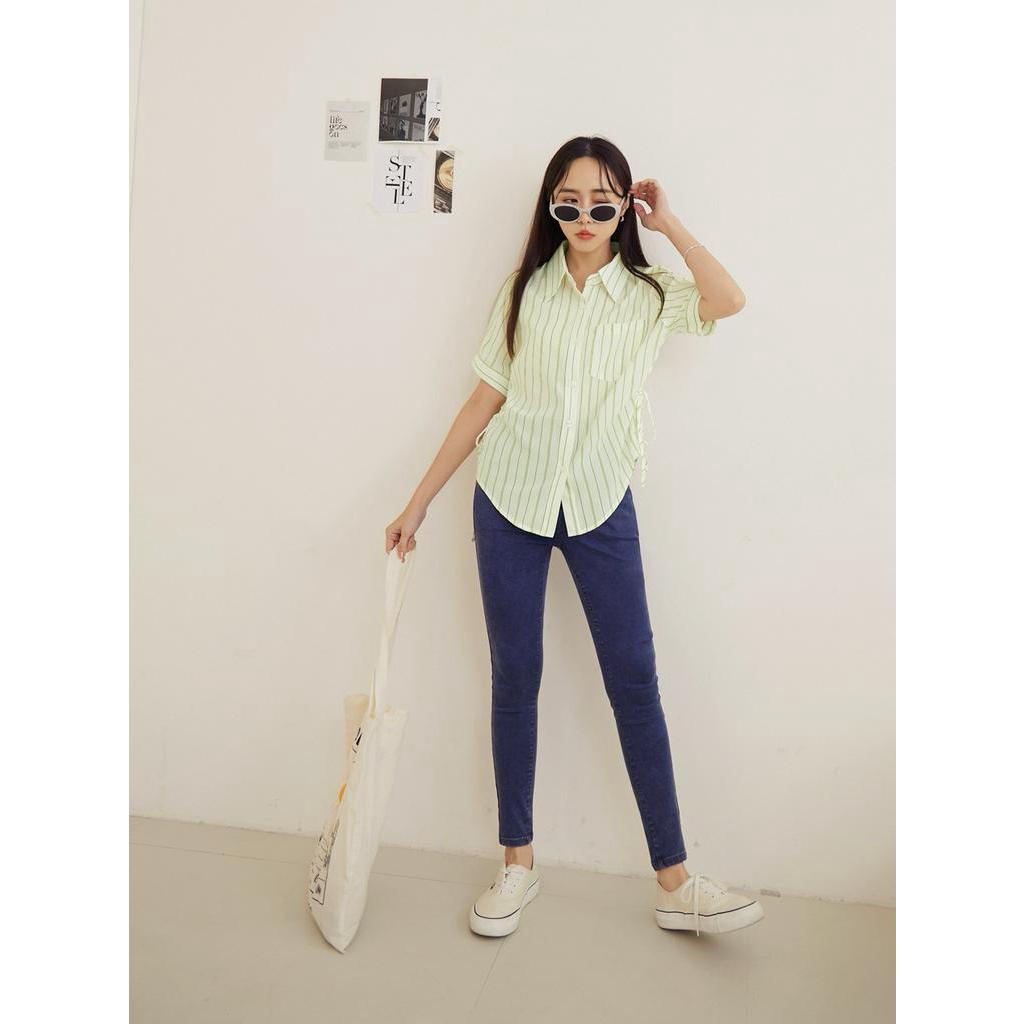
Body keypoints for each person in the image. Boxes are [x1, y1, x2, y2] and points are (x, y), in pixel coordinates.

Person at [385, 136, 764, 938]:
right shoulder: (525, 290)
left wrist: (670, 225)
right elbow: (483, 400)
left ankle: (675, 880)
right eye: (568, 201)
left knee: (635, 681)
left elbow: (728, 300)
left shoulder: (649, 294)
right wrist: (419, 502)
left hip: (598, 505)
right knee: (514, 678)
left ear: (625, 206)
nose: (584, 216)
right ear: (550, 206)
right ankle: (517, 863)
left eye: (602, 202)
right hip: (508, 500)